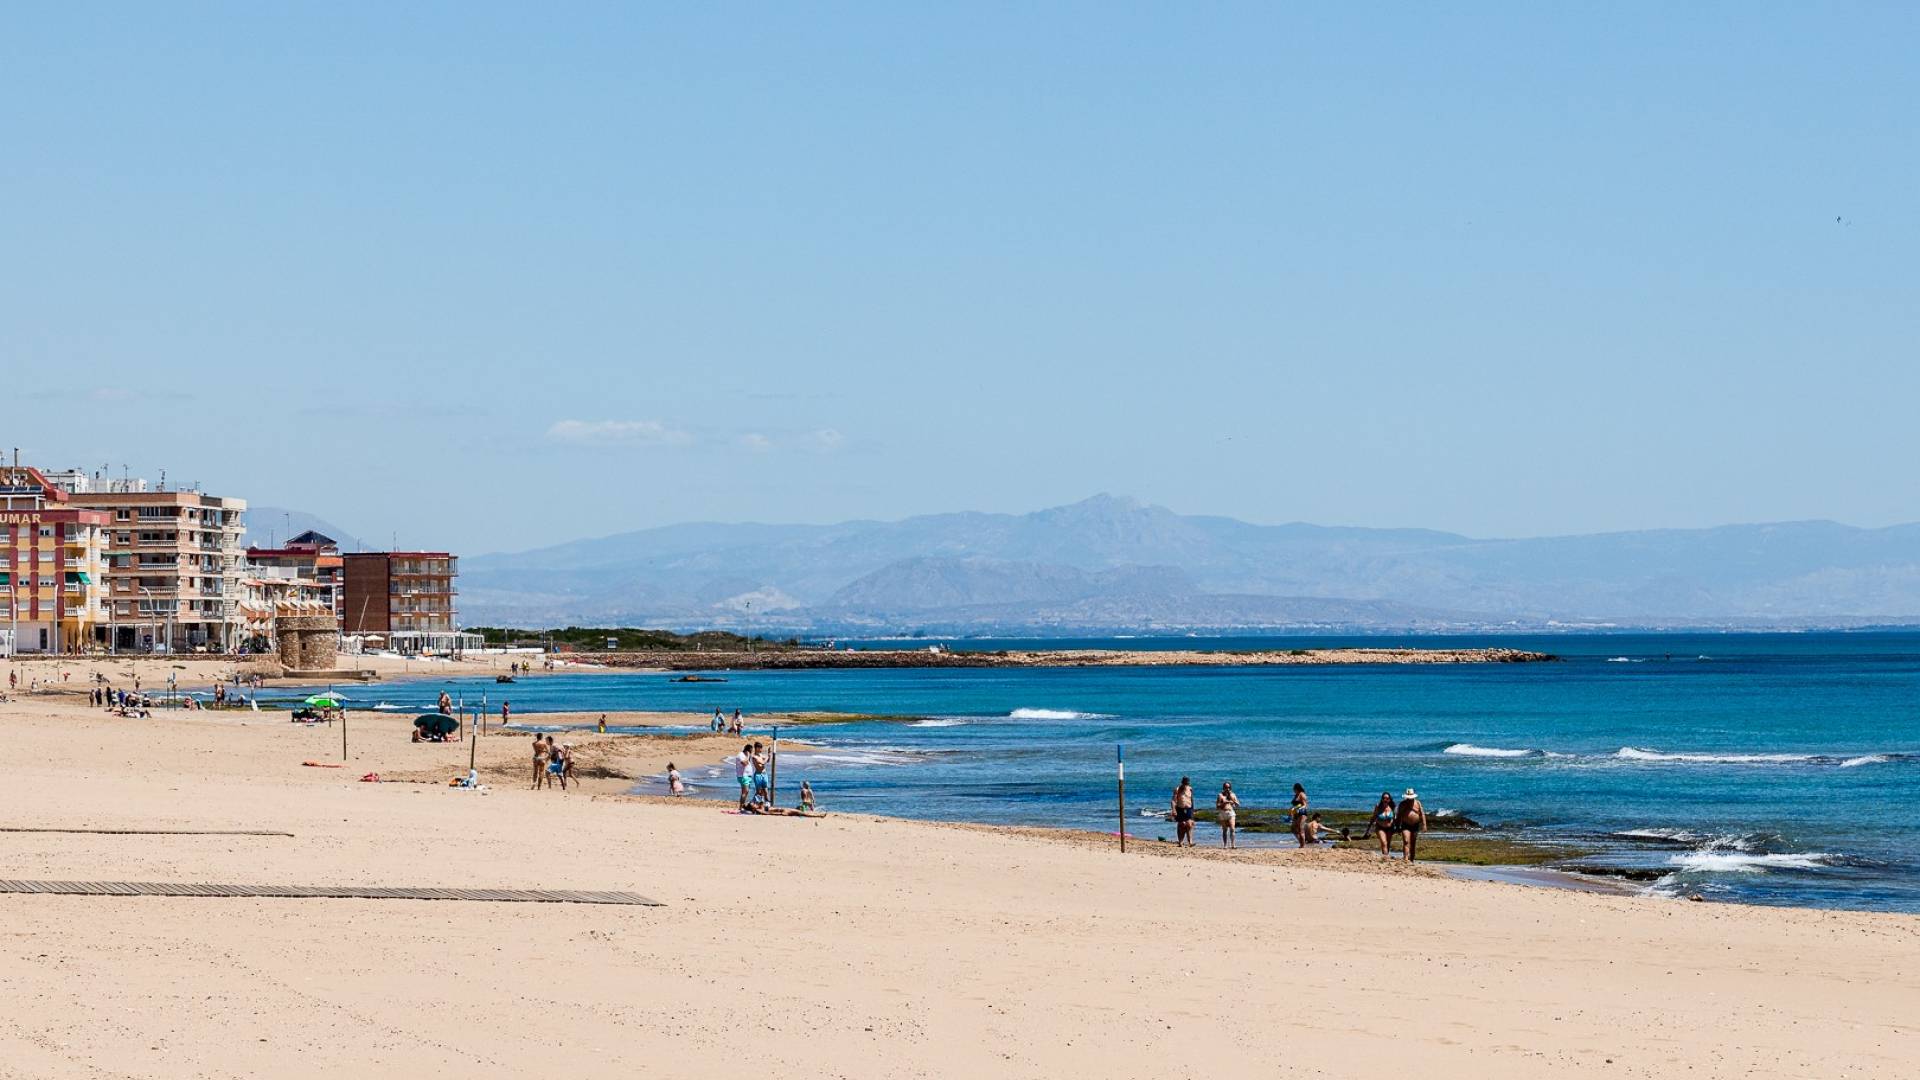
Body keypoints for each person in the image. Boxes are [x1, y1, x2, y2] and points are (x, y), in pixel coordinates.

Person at [1394, 788, 1426, 862]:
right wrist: (1397, 827)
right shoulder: (1402, 804)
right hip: (1405, 825)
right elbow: (1398, 816)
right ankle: (1405, 858)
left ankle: (1412, 859)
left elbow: (1422, 814)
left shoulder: (1417, 803)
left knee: (1413, 843)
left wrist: (1424, 825)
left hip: (1415, 825)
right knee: (1406, 841)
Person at [1367, 791, 1398, 856]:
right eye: (1384, 798)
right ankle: (1386, 858)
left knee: (1388, 843)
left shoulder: (1392, 807)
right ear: (1381, 799)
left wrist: (1397, 828)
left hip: (1390, 828)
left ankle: (1385, 855)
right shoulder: (1378, 806)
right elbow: (1374, 817)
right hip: (1380, 827)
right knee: (1384, 842)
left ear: (1389, 799)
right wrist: (1368, 829)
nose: (1385, 800)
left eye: (1387, 798)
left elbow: (1395, 818)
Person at [1171, 777, 1195, 846]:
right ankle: (1180, 841)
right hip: (1180, 808)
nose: (1186, 784)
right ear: (1182, 782)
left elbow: (1192, 799)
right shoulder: (1177, 789)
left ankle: (1190, 842)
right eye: (1185, 782)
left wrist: (1193, 810)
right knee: (1182, 825)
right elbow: (1173, 800)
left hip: (1189, 809)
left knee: (1190, 825)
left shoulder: (1190, 789)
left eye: (1187, 783)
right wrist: (1173, 809)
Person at [1215, 781, 1240, 848]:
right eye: (1226, 787)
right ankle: (1225, 845)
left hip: (1230, 812)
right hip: (1223, 812)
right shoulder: (1220, 795)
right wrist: (1224, 803)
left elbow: (1238, 804)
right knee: (1224, 830)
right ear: (1223, 788)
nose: (1227, 789)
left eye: (1229, 787)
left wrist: (1233, 801)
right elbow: (1217, 806)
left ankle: (1233, 844)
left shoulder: (1233, 795)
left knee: (1232, 829)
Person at [733, 742, 755, 809]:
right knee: (745, 791)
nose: (751, 753)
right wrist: (748, 756)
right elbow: (744, 763)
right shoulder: (741, 755)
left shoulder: (744, 755)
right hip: (743, 776)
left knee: (745, 791)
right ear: (747, 750)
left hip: (746, 776)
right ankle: (741, 806)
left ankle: (742, 805)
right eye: (751, 751)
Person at [1290, 783, 1310, 848]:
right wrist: (1292, 811)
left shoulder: (1302, 794)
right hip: (1296, 813)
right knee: (1293, 829)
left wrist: (1298, 808)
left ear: (1297, 788)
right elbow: (1295, 804)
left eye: (1294, 789)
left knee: (1301, 829)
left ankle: (1303, 845)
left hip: (1302, 813)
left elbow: (1305, 805)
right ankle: (1301, 842)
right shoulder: (1296, 795)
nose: (1293, 790)